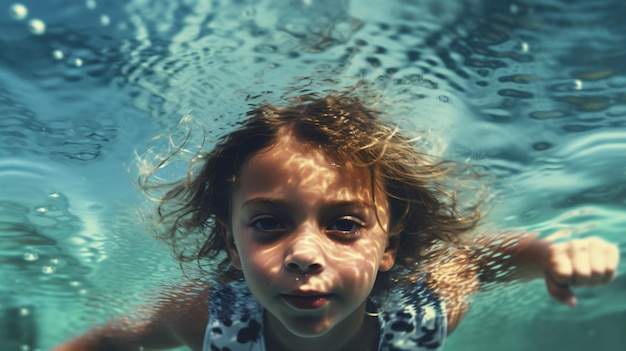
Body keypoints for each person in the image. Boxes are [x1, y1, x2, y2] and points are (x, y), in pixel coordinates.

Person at [54, 93, 620, 351]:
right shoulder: (209, 316)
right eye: (270, 223)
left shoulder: (420, 314)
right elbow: (111, 338)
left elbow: (477, 261)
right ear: (231, 243)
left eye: (345, 224)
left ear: (391, 244)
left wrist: (548, 255)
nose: (304, 253)